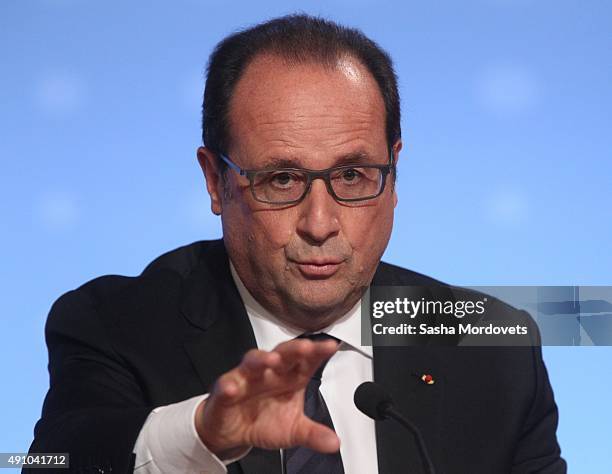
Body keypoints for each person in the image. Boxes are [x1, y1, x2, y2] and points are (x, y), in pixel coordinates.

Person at [26, 14, 566, 474]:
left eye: (353, 174)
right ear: (215, 180)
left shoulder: (494, 347)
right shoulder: (113, 324)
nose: (321, 222)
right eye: (282, 179)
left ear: (395, 173)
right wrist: (203, 434)